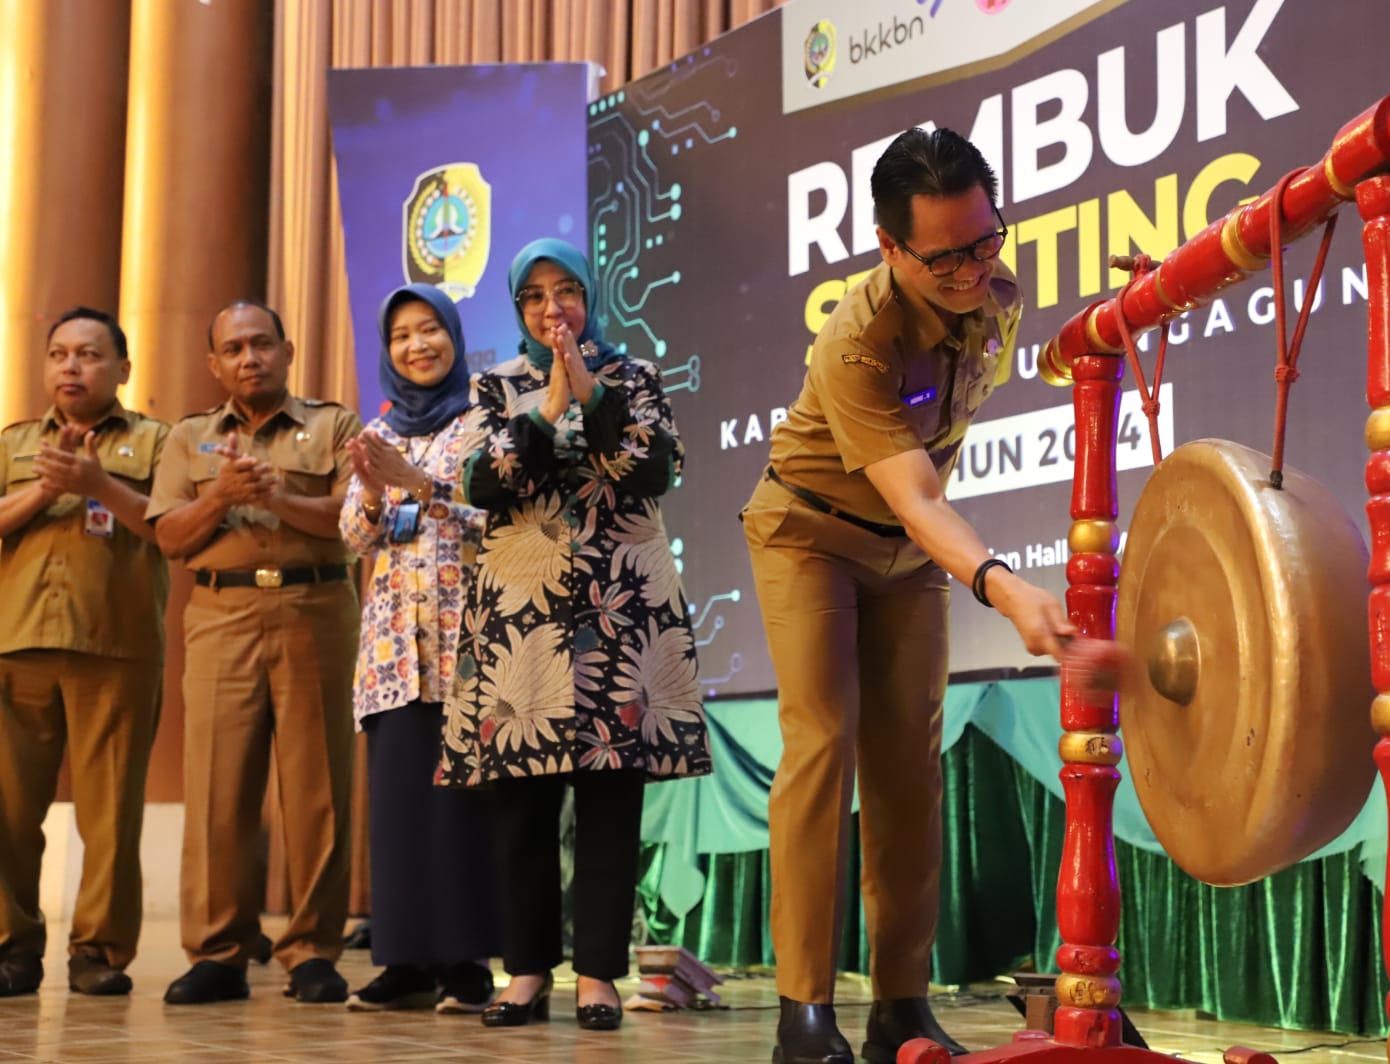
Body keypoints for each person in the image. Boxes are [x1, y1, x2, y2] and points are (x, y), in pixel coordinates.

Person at [744, 128, 1122, 1064]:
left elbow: (1009, 373)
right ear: (889, 248)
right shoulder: (854, 342)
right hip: (810, 532)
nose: (969, 269)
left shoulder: (996, 287)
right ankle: (803, 1013)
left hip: (907, 561)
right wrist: (1008, 590)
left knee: (910, 767)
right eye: (943, 256)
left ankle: (899, 1007)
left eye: (984, 241)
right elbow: (916, 498)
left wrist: (1116, 318)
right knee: (823, 743)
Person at [438, 237, 712, 1032]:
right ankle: (525, 973)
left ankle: (598, 977)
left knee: (607, 800)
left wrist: (586, 390)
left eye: (566, 292)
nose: (551, 308)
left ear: (591, 299)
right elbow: (487, 481)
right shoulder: (493, 387)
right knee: (521, 805)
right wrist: (548, 407)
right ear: (518, 308)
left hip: (617, 610)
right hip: (520, 614)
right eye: (534, 297)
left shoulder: (634, 377)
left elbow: (650, 468)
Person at [147, 300, 362, 1005]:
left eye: (262, 344)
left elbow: (352, 518)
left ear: (288, 350)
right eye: (233, 348)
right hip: (221, 613)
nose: (249, 358)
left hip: (316, 607)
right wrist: (221, 500)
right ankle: (219, 952)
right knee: (218, 788)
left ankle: (312, 952)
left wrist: (275, 501)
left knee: (318, 789)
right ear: (215, 364)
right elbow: (170, 538)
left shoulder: (333, 426)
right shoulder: (189, 439)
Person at [338, 284, 497, 1013]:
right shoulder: (382, 430)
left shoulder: (486, 420)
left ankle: (465, 963)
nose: (417, 345)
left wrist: (422, 485)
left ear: (454, 337)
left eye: (430, 329)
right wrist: (372, 493)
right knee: (399, 808)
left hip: (468, 642)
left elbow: (498, 521)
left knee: (463, 811)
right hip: (393, 653)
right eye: (402, 335)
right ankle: (403, 960)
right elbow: (355, 537)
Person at [0, 307, 169, 997]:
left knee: (112, 815)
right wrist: (47, 487)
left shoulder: (160, 442)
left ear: (123, 369)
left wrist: (98, 483)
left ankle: (98, 952)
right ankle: (12, 947)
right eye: (59, 354)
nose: (71, 366)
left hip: (117, 646)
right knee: (8, 811)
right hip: (16, 643)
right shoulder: (13, 442)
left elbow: (171, 528)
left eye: (89, 354)